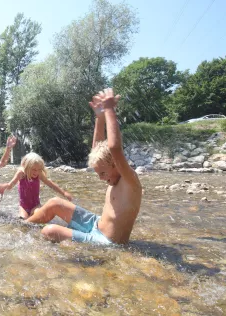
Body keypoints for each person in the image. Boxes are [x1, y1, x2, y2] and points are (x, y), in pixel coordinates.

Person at [26, 88, 142, 245]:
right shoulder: (112, 171)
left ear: (116, 164)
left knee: (49, 231)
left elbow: (115, 148)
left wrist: (109, 109)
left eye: (103, 173)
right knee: (54, 203)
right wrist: (99, 118)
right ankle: (23, 226)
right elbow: (96, 150)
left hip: (105, 240)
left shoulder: (130, 180)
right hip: (95, 223)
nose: (101, 178)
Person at [0, 152, 73, 219]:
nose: (36, 172)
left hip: (36, 205)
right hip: (23, 207)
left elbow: (50, 183)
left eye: (39, 169)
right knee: (24, 221)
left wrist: (64, 193)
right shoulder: (21, 173)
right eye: (34, 169)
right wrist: (2, 187)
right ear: (26, 166)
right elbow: (10, 185)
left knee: (39, 216)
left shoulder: (39, 174)